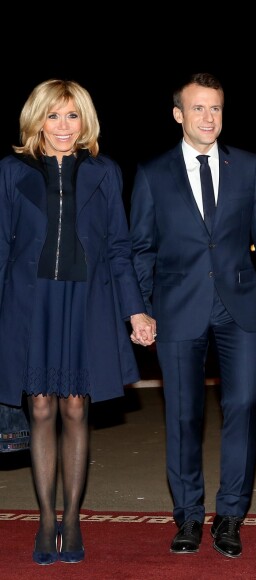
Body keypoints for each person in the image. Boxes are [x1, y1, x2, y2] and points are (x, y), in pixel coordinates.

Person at [130, 72, 256, 559]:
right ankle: (189, 516)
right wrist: (141, 309)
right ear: (178, 114)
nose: (208, 118)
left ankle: (231, 516)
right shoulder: (153, 173)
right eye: (198, 108)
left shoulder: (248, 165)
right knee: (183, 415)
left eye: (215, 108)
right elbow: (140, 249)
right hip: (177, 310)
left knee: (243, 409)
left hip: (239, 308)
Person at [0, 79, 156, 566]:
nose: (63, 127)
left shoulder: (105, 172)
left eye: (72, 116)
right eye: (53, 116)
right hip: (32, 303)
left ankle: (72, 516)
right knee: (40, 408)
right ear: (37, 120)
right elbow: (1, 247)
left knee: (74, 408)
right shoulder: (10, 171)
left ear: (84, 121)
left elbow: (118, 248)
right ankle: (46, 520)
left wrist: (136, 309)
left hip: (86, 302)